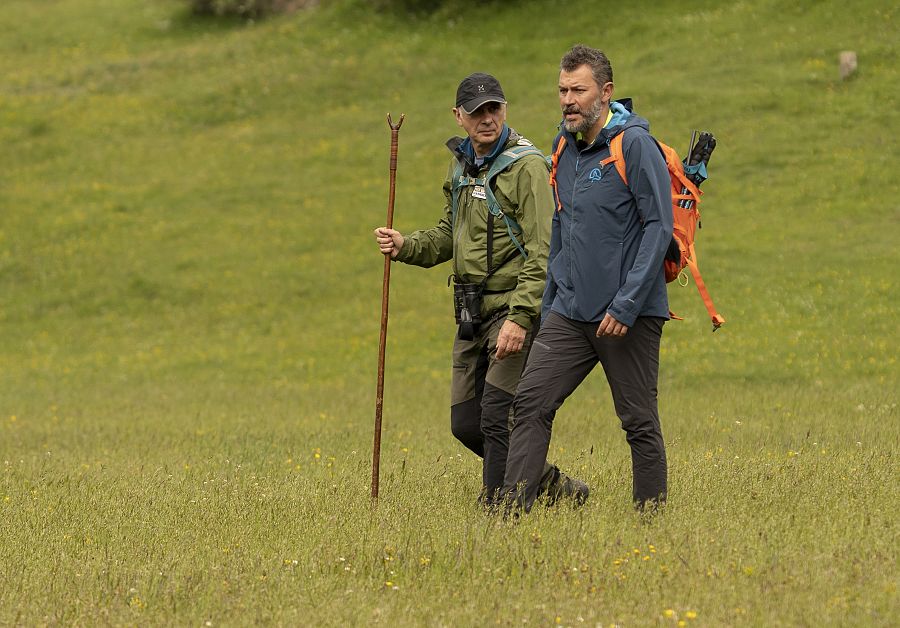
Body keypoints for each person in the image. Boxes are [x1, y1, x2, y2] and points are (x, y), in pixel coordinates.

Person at [374, 72, 587, 507]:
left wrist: (521, 318)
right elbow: (450, 234)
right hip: (470, 312)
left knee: (495, 415)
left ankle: (498, 511)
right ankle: (548, 484)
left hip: (512, 308)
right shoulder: (460, 165)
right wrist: (406, 245)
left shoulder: (527, 166)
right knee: (465, 423)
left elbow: (543, 251)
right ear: (459, 117)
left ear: (505, 110)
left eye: (494, 109)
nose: (487, 118)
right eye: (477, 112)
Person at [502, 45, 673, 513]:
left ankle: (652, 521)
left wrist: (626, 304)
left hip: (628, 314)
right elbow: (561, 226)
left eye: (578, 89)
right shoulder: (563, 147)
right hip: (570, 312)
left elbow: (659, 227)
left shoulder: (634, 145)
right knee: (530, 404)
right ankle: (511, 514)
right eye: (562, 90)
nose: (568, 100)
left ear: (606, 91)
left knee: (638, 421)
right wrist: (550, 302)